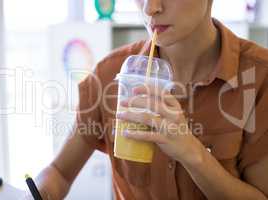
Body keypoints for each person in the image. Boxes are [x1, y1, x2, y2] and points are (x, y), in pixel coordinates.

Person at [30, 0, 268, 199]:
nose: (149, 8)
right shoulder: (108, 75)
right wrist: (39, 193)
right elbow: (59, 173)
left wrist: (192, 153)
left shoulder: (259, 78)